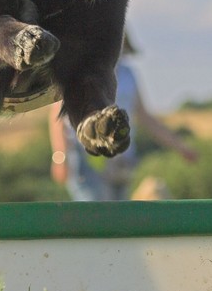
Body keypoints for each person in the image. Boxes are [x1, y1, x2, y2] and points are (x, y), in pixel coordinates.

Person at [49, 35, 197, 201]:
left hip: (121, 159)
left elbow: (145, 117)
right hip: (87, 159)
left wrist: (179, 146)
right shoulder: (79, 71)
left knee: (116, 219)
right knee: (96, 216)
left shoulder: (128, 75)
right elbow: (58, 116)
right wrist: (60, 156)